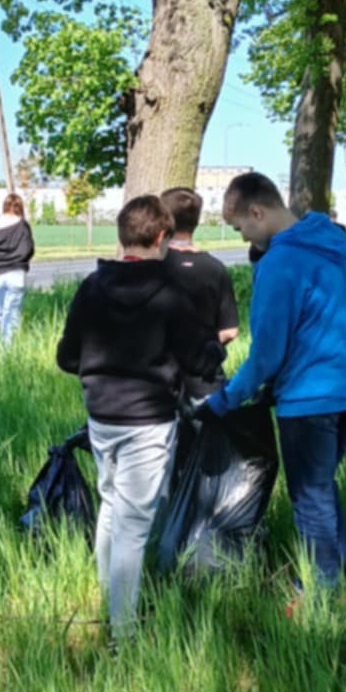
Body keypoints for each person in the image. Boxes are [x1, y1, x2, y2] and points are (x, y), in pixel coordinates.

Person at [203, 170, 346, 589]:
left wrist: (227, 399)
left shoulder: (280, 262)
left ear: (257, 212)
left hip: (309, 397)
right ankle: (339, 577)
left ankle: (321, 593)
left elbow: (267, 354)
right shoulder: (332, 241)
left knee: (310, 497)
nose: (243, 238)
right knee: (321, 487)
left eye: (240, 227)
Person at [56, 194, 214, 638]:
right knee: (133, 525)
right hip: (149, 421)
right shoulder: (172, 293)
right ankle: (122, 633)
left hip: (101, 415)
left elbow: (67, 356)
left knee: (111, 506)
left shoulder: (92, 286)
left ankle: (109, 598)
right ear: (162, 237)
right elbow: (197, 359)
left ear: (122, 234)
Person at [159, 185, 239, 395]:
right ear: (196, 221)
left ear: (163, 220)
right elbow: (230, 331)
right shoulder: (216, 268)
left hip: (159, 383)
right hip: (206, 380)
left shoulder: (153, 267)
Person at [0, 190, 35, 348]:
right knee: (12, 313)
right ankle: (6, 350)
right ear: (20, 207)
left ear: (4, 206)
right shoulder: (22, 225)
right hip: (16, 273)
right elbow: (28, 250)